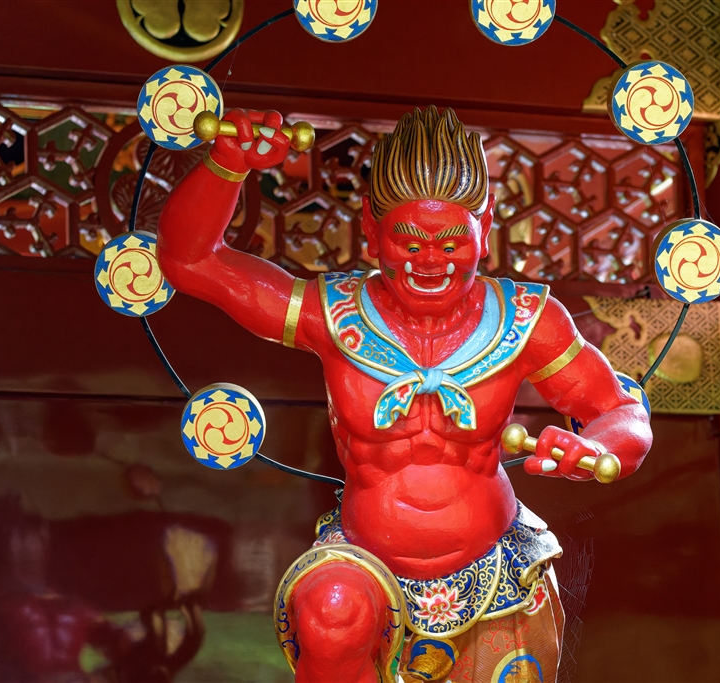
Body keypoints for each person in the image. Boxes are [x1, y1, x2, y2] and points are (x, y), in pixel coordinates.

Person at [157, 105, 652, 683]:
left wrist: (598, 449)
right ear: (371, 230)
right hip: (365, 561)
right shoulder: (331, 315)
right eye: (410, 243)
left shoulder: (526, 320)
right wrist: (226, 166)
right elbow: (191, 261)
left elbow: (619, 410)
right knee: (333, 613)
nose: (431, 263)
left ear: (485, 226)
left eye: (451, 243)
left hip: (493, 564)